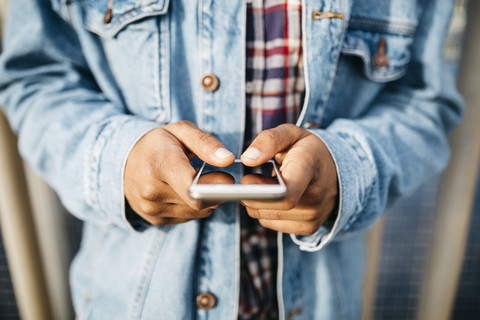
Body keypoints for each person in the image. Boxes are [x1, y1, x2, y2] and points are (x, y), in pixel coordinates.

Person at [0, 0, 464, 319]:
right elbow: (36, 78)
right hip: (135, 301)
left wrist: (347, 169)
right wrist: (120, 161)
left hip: (325, 301)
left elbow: (425, 101)